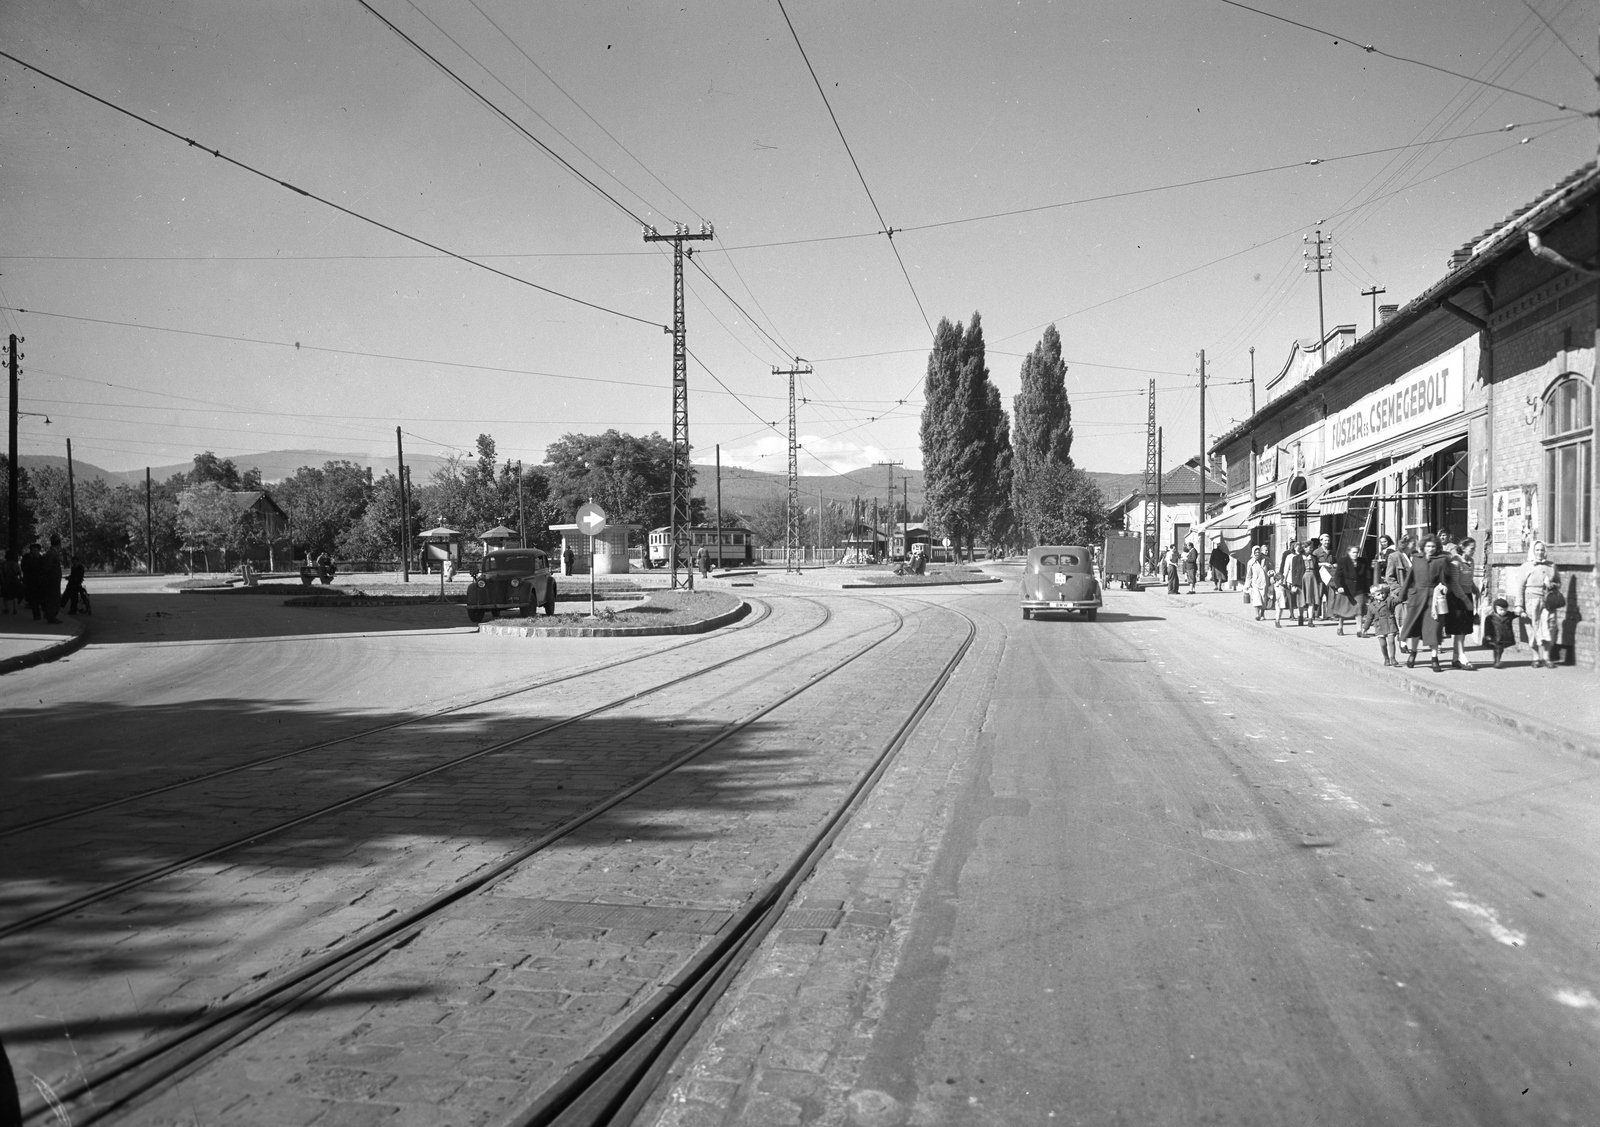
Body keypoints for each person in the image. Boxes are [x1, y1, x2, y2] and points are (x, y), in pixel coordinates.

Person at [1397, 535, 1472, 672]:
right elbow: (1409, 578)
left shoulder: (1442, 561)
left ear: (1437, 547)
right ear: (1423, 547)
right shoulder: (1417, 559)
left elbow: (1446, 580)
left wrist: (1444, 588)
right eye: (1427, 546)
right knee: (1415, 628)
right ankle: (1413, 653)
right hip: (1417, 597)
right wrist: (1401, 596)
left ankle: (1434, 658)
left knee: (1434, 628)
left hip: (1434, 598)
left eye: (1433, 546)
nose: (1430, 549)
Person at [1515, 541, 1560, 668]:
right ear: (1533, 551)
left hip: (1548, 602)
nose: (1540, 553)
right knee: (1532, 629)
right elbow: (1519, 587)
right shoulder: (1526, 566)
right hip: (1531, 602)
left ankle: (1546, 657)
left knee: (1549, 627)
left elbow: (1559, 583)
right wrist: (1519, 605)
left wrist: (1552, 585)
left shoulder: (1551, 566)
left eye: (1542, 550)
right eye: (1537, 550)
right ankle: (1536, 657)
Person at [1328, 544, 1369, 636]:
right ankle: (1340, 626)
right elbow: (1338, 575)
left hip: (1359, 589)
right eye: (1353, 552)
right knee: (1344, 609)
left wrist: (1368, 589)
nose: (1356, 554)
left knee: (1359, 609)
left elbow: (1366, 576)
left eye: (1357, 552)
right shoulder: (1343, 561)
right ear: (1349, 553)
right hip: (1346, 589)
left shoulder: (1362, 561)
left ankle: (1359, 630)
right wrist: (1339, 587)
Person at [1367, 580, 1402, 666]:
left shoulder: (1390, 600)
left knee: (1391, 642)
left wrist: (1398, 592)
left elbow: (1399, 600)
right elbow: (1369, 617)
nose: (1382, 595)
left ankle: (1393, 658)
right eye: (1378, 594)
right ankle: (1386, 658)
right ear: (1374, 596)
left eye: (1382, 593)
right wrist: (1365, 627)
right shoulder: (1372, 606)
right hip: (1379, 626)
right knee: (1383, 644)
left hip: (1389, 623)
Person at [1483, 597, 1518, 668]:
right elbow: (1487, 627)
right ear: (1495, 609)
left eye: (1505, 610)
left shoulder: (1509, 615)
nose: (1503, 611)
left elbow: (1517, 614)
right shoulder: (1490, 618)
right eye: (1500, 610)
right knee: (1498, 648)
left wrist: (1521, 612)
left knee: (1500, 649)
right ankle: (1497, 662)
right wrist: (1487, 635)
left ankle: (1497, 661)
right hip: (1495, 636)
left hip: (1505, 636)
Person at [40, 533, 64, 624]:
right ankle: (51, 616)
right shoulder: (51, 553)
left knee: (55, 598)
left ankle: (51, 616)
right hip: (52, 580)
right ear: (59, 543)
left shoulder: (53, 552)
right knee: (53, 598)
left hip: (54, 579)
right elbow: (47, 567)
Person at [1296, 541, 1320, 627]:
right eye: (1310, 547)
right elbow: (1295, 572)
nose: (1312, 548)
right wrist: (1294, 584)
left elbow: (1317, 570)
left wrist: (1318, 580)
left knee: (1311, 599)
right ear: (1304, 548)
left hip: (1312, 578)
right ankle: (1300, 618)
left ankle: (1310, 620)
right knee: (1301, 600)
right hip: (1301, 579)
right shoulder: (1297, 558)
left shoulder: (1314, 558)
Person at [19, 543, 43, 620]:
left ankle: (44, 613)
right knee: (34, 599)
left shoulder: (42, 559)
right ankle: (36, 615)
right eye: (32, 550)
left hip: (40, 581)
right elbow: (24, 568)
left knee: (41, 598)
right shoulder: (27, 559)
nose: (33, 552)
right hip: (31, 582)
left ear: (39, 551)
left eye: (35, 550)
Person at [1245, 546, 1270, 620]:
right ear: (1253, 553)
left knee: (1263, 600)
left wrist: (1270, 573)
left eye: (1258, 552)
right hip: (1255, 583)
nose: (1257, 554)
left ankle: (1262, 614)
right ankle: (1257, 615)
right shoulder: (1251, 563)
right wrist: (1247, 585)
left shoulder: (1265, 560)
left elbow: (1270, 569)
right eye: (1255, 552)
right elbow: (1249, 575)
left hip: (1264, 583)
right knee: (1256, 599)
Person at [0, 548, 20, 614]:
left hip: (5, 580)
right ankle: (15, 608)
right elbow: (18, 572)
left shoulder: (3, 564)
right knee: (15, 595)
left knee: (5, 595)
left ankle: (7, 608)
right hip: (14, 580)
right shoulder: (15, 564)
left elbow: (1, 573)